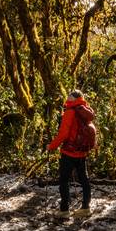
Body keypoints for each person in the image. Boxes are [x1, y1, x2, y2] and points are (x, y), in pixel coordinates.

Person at [47, 90, 95, 218]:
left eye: (70, 96)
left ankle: (64, 210)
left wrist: (51, 146)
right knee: (84, 179)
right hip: (82, 151)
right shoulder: (86, 111)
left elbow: (63, 134)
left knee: (64, 180)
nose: (67, 97)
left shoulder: (70, 112)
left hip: (69, 152)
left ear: (73, 98)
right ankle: (85, 208)